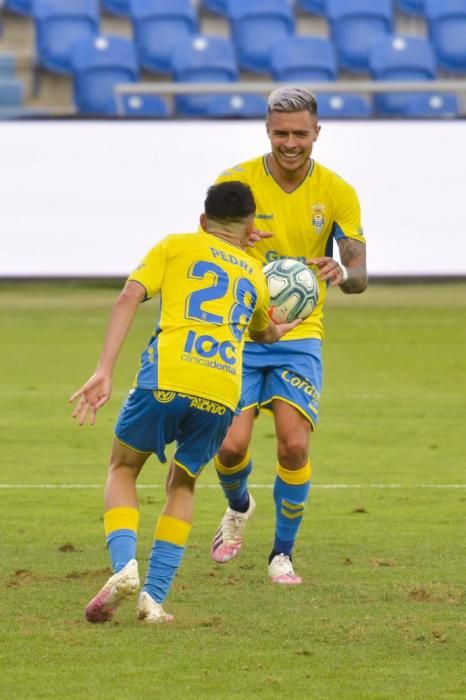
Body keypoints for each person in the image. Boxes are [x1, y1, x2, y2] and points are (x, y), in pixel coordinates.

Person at [69, 181, 299, 624]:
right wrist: (281, 329)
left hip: (166, 378)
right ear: (251, 226)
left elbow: (128, 297)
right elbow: (262, 332)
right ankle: (153, 600)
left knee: (122, 468)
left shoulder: (175, 245)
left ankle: (124, 568)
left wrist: (104, 369)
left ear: (201, 221)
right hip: (220, 392)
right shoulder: (254, 273)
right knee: (183, 483)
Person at [209, 87, 368, 584]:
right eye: (282, 133)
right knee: (231, 448)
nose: (291, 143)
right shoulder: (236, 182)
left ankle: (282, 554)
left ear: (317, 132)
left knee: (293, 447)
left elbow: (361, 272)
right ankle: (238, 507)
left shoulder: (337, 191)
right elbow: (208, 250)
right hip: (244, 331)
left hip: (301, 334)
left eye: (301, 133)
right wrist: (237, 241)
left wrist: (342, 270)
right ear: (267, 131)